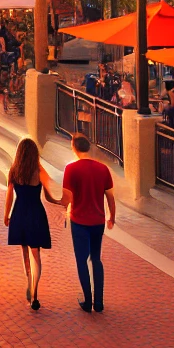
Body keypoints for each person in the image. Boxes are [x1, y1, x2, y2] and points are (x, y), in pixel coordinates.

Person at [61, 134, 115, 312]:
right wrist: (111, 216)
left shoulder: (71, 169)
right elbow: (110, 197)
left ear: (74, 148)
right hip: (98, 221)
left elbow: (66, 198)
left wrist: (60, 206)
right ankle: (99, 301)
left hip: (79, 221)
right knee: (96, 259)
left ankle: (87, 299)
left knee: (81, 260)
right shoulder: (103, 169)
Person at [5, 137, 60, 310]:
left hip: (20, 212)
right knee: (36, 254)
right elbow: (48, 195)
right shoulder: (38, 170)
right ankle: (35, 292)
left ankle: (29, 284)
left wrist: (6, 215)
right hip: (36, 213)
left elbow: (9, 197)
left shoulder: (14, 171)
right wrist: (58, 202)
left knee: (24, 251)